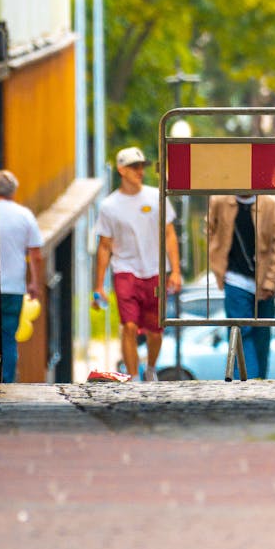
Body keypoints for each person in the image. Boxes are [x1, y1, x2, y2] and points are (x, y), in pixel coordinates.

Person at [94, 146, 181, 382]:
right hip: (125, 271)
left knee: (155, 331)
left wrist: (175, 271)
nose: (140, 171)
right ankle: (132, 378)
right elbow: (104, 246)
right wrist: (99, 285)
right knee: (129, 326)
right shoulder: (109, 206)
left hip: (155, 271)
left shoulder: (156, 197)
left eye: (142, 166)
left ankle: (150, 369)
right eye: (134, 167)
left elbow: (170, 234)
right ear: (121, 170)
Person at [207, 194, 275, 379]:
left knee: (262, 336)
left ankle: (258, 380)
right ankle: (247, 381)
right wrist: (218, 264)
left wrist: (271, 281)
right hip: (235, 279)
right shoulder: (220, 202)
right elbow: (209, 230)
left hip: (265, 282)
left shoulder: (270, 205)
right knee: (241, 331)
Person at [0, 169, 44, 383]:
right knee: (8, 337)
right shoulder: (24, 215)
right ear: (14, 192)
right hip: (13, 288)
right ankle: (5, 381)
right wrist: (34, 283)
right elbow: (36, 255)